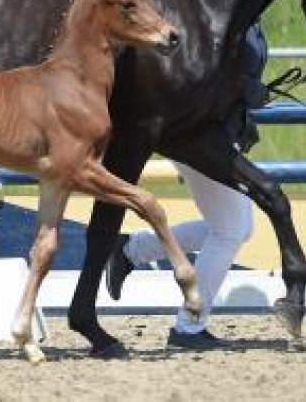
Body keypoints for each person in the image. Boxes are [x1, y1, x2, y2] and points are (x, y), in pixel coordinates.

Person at [104, 23, 268, 349]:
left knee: (234, 227)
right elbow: (200, 74)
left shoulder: (248, 17)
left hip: (218, 134)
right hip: (198, 137)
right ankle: (189, 327)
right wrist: (243, 89)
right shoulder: (219, 14)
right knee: (231, 230)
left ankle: (130, 249)